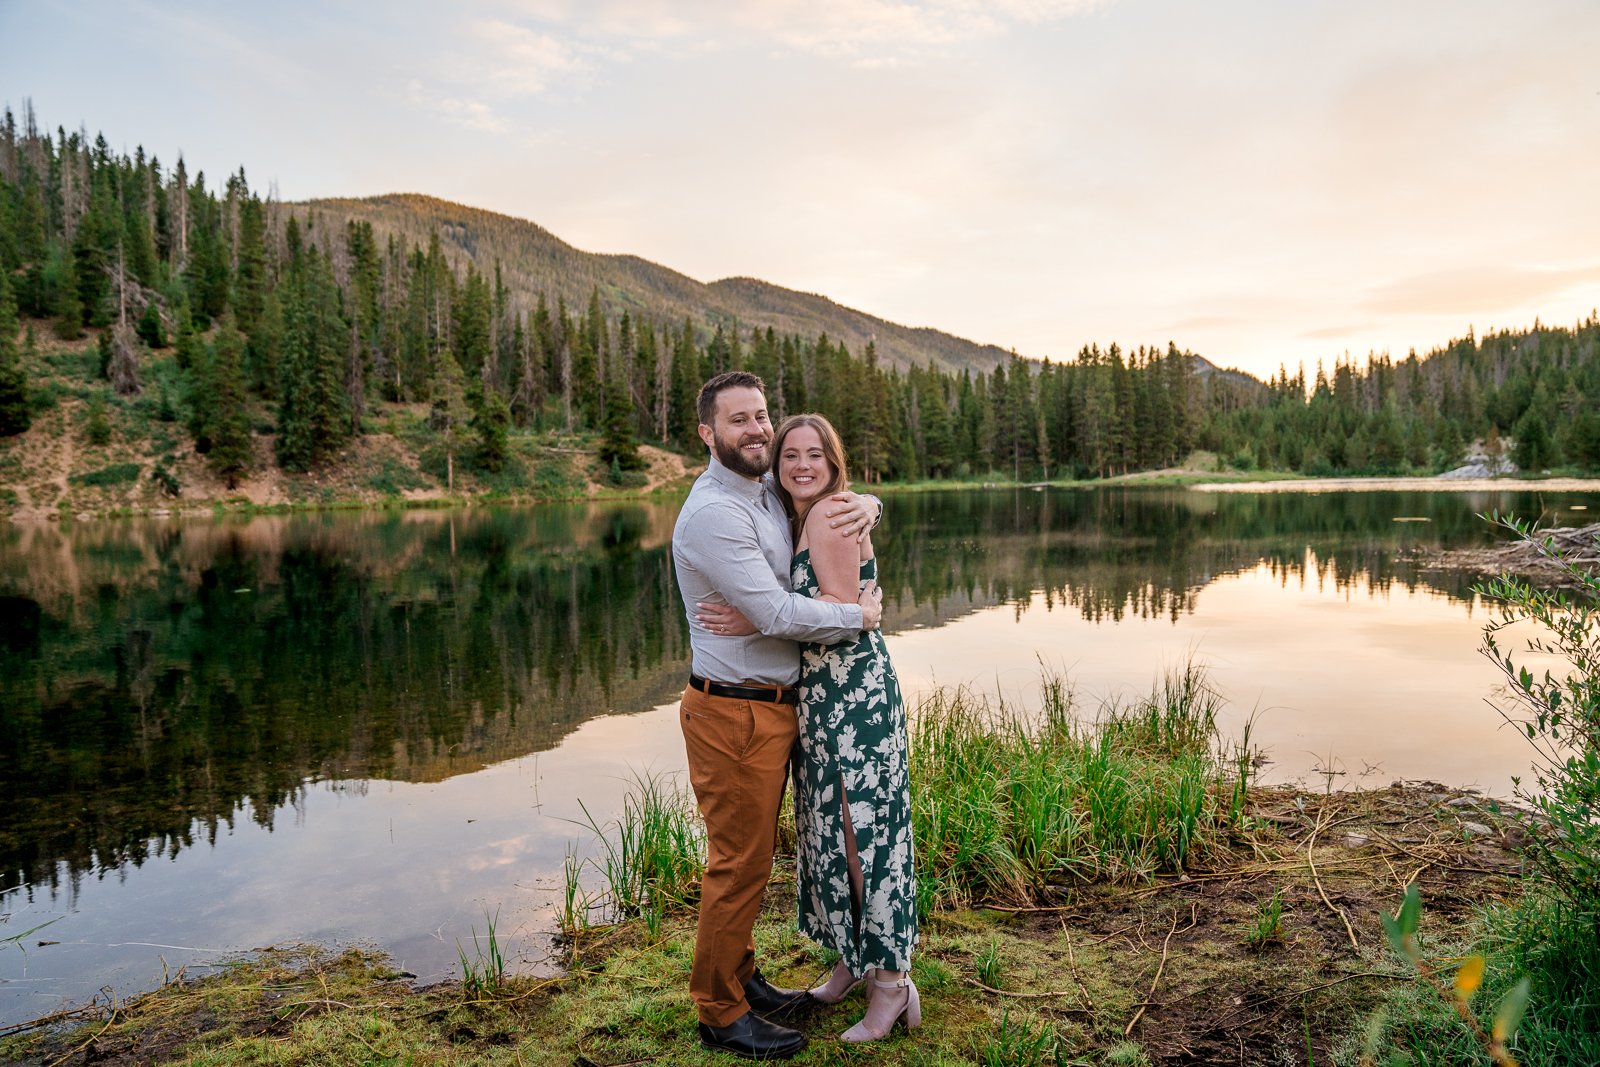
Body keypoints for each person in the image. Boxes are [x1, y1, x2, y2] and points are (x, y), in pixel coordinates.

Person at [671, 371, 883, 1060]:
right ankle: (720, 1010)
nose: (759, 430)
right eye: (740, 420)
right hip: (732, 714)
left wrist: (867, 504)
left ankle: (740, 973)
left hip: (773, 709)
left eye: (762, 415)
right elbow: (777, 612)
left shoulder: (759, 486)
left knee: (755, 861)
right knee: (737, 864)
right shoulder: (713, 513)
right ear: (707, 432)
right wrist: (856, 615)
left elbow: (817, 492)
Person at [770, 413, 919, 1043]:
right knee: (833, 831)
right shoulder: (817, 515)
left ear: (834, 464)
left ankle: (890, 985)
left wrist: (750, 620)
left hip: (850, 698)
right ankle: (851, 962)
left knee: (861, 836)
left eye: (815, 455)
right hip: (829, 697)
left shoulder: (829, 517)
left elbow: (839, 619)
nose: (802, 465)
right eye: (790, 455)